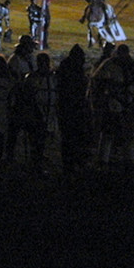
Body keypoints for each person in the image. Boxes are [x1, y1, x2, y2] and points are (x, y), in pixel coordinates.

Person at [54, 44, 91, 173]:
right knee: (73, 136)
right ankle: (73, 162)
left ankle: (71, 162)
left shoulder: (66, 68)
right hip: (72, 106)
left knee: (70, 136)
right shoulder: (74, 71)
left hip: (69, 106)